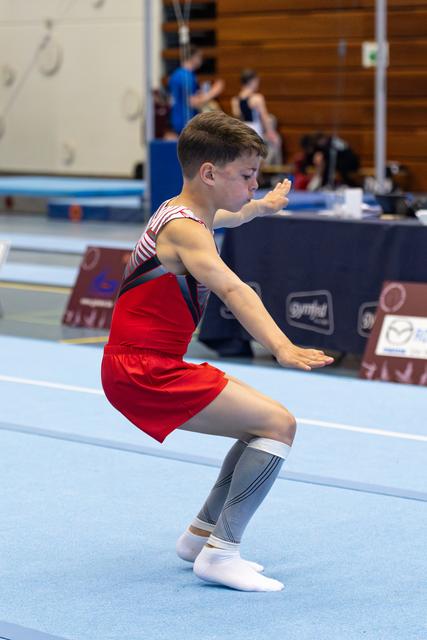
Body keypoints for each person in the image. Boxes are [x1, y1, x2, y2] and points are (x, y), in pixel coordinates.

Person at [101, 111, 333, 593]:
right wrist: (282, 346)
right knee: (279, 424)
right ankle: (221, 553)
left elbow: (230, 214)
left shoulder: (180, 209)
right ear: (210, 173)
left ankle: (199, 537)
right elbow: (233, 290)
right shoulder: (186, 231)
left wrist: (261, 207)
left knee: (259, 423)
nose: (253, 184)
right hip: (144, 370)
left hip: (144, 363)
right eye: (247, 175)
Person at [168, 45, 224, 135]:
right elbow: (193, 102)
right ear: (193, 57)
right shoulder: (186, 77)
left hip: (178, 119)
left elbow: (182, 97)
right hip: (185, 121)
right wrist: (214, 91)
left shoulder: (176, 75)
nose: (201, 60)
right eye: (199, 57)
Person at [231, 68, 282, 165]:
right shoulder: (257, 98)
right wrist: (272, 134)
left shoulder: (235, 100)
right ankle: (274, 171)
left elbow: (237, 117)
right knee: (275, 143)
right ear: (253, 81)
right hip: (255, 130)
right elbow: (265, 118)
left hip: (242, 132)